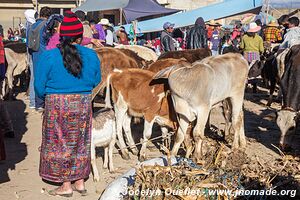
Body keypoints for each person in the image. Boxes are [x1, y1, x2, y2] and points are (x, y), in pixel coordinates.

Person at [35, 11, 101, 197]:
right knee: (80, 141)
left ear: (61, 36)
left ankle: (66, 185)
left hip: (57, 104)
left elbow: (39, 86)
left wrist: (46, 99)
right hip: (83, 102)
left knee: (60, 142)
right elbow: (96, 80)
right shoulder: (91, 55)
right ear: (80, 37)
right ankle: (79, 181)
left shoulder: (49, 57)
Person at [28, 6, 52, 110]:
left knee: (36, 77)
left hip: (34, 52)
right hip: (43, 53)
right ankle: (41, 102)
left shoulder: (32, 25)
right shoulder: (46, 25)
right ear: (48, 15)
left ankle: (35, 102)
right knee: (44, 78)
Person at [24, 9, 37, 109]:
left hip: (31, 54)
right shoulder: (32, 26)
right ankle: (33, 100)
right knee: (34, 76)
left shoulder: (29, 25)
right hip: (33, 54)